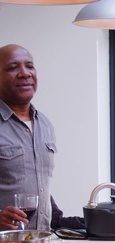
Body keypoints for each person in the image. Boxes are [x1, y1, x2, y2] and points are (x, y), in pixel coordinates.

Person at [0, 44, 55, 231]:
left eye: (29, 66)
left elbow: (40, 185)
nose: (24, 74)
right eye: (12, 68)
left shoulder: (45, 125)